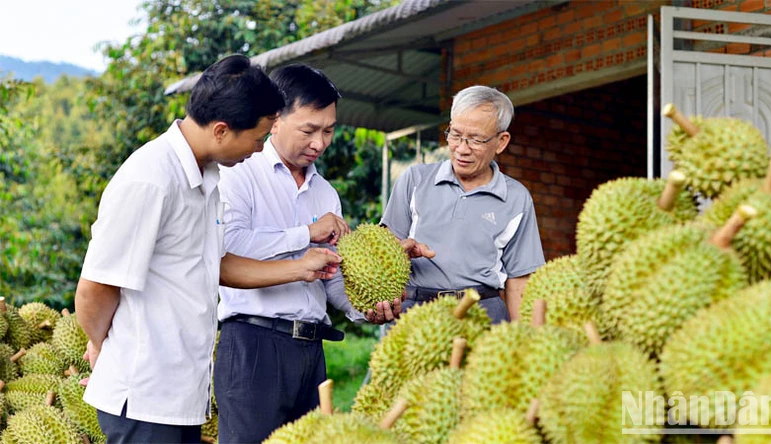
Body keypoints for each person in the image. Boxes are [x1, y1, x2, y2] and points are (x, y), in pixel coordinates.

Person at [74, 54, 343, 444]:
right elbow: (95, 288)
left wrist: (303, 268)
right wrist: (104, 347)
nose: (257, 148)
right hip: (143, 393)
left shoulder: (207, 177)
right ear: (221, 130)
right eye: (255, 138)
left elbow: (217, 264)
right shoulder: (151, 178)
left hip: (182, 395)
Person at [213, 63, 427, 443]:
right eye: (309, 130)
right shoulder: (239, 173)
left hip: (311, 348)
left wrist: (366, 308)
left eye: (328, 130)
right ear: (275, 120)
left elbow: (329, 278)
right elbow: (227, 251)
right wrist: (306, 234)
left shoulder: (325, 193)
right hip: (252, 344)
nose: (320, 142)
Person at [380, 85, 545, 324]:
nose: (461, 149)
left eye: (476, 140)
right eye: (455, 135)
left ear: (501, 142)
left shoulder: (517, 198)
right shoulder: (415, 179)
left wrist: (527, 341)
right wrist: (399, 250)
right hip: (416, 311)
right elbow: (384, 245)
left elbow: (519, 280)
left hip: (483, 314)